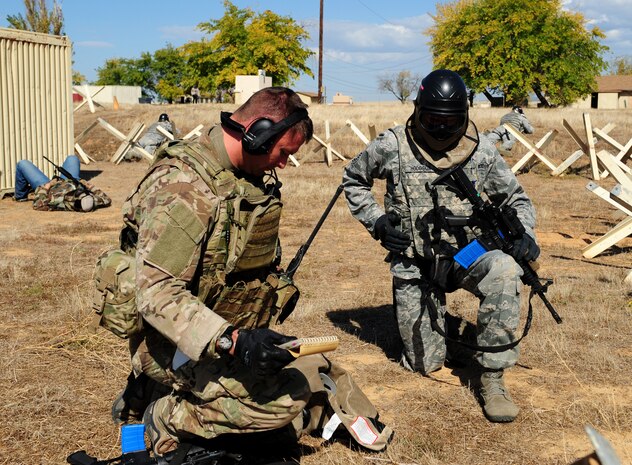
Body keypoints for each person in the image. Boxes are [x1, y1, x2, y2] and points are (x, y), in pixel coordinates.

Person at [109, 86, 392, 458]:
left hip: (220, 334)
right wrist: (234, 342)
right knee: (285, 401)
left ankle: (174, 394)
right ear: (257, 134)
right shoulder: (184, 188)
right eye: (283, 153)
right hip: (171, 344)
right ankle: (164, 413)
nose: (283, 164)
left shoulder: (242, 182)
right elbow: (157, 294)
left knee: (312, 369)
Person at [342, 70, 540, 423]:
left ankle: (492, 378)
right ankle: (441, 329)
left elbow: (517, 199)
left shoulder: (480, 151)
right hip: (415, 262)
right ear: (418, 111)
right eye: (433, 119)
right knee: (424, 364)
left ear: (464, 117)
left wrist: (524, 234)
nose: (441, 129)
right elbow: (354, 179)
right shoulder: (392, 145)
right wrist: (378, 222)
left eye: (450, 121)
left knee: (505, 270)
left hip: (469, 255)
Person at [14, 154, 110, 212]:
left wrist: (48, 186)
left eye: (78, 195)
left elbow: (38, 204)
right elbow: (106, 199)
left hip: (48, 186)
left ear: (75, 203)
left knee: (23, 164)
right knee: (72, 158)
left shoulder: (59, 201)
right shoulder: (90, 201)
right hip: (71, 179)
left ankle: (20, 197)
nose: (79, 192)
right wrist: (88, 185)